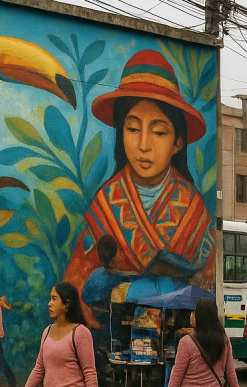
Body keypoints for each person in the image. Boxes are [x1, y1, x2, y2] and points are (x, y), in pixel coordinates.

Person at [63, 49, 216, 327]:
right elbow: (78, 284)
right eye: (132, 129)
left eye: (159, 132)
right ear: (120, 134)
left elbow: (204, 285)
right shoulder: (104, 204)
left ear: (178, 142)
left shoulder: (195, 210)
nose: (144, 145)